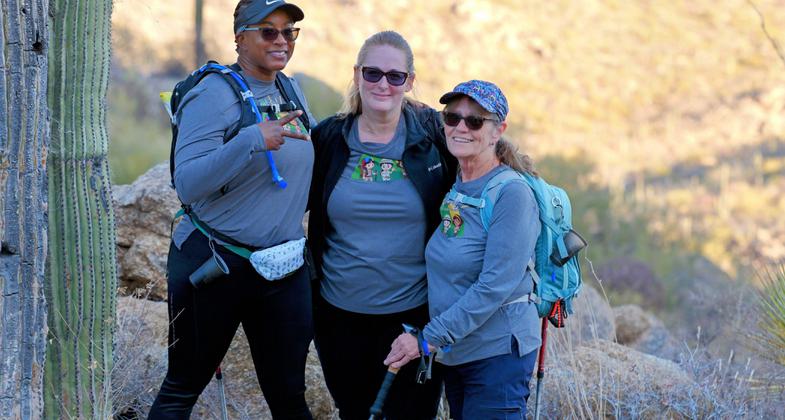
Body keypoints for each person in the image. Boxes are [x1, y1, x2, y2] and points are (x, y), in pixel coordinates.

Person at [149, 1, 317, 418]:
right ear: (240, 37)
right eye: (268, 31)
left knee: (290, 398)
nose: (281, 40)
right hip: (215, 264)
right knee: (182, 388)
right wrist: (251, 140)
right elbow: (187, 183)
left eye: (289, 31)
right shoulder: (213, 94)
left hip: (282, 268)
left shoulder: (288, 88)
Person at [307, 31, 457, 420]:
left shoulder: (434, 137)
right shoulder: (328, 138)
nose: (382, 84)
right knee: (354, 413)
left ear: (409, 81)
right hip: (338, 317)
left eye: (395, 76)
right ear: (357, 75)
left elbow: (482, 171)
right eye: (373, 73)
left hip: (413, 316)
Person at [384, 80, 542, 420]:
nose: (460, 127)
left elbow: (494, 286)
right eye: (452, 117)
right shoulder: (459, 183)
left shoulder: (511, 194)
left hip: (498, 354)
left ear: (498, 129)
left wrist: (428, 339)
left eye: (475, 121)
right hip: (459, 352)